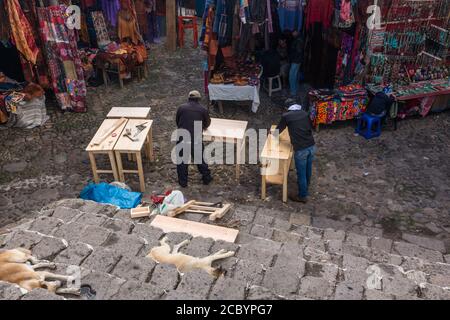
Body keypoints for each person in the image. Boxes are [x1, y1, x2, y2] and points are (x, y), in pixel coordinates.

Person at [274, 99, 315, 203]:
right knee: (308, 168)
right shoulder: (304, 113)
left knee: (301, 173)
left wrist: (271, 135)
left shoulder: (286, 116)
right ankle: (306, 186)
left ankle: (302, 196)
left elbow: (279, 130)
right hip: (311, 145)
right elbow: (310, 127)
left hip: (301, 149)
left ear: (287, 108)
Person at [175, 90, 212, 187]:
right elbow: (207, 123)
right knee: (200, 159)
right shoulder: (203, 109)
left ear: (189, 98)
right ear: (198, 99)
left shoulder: (181, 108)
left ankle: (183, 182)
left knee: (182, 161)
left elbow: (177, 121)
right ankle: (206, 179)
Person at [288, 31, 304, 97]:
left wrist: (292, 57)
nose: (292, 34)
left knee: (291, 76)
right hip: (298, 60)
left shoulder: (298, 40)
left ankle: (293, 92)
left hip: (296, 60)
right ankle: (296, 89)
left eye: (294, 32)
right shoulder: (299, 39)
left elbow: (298, 51)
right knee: (296, 75)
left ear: (297, 32)